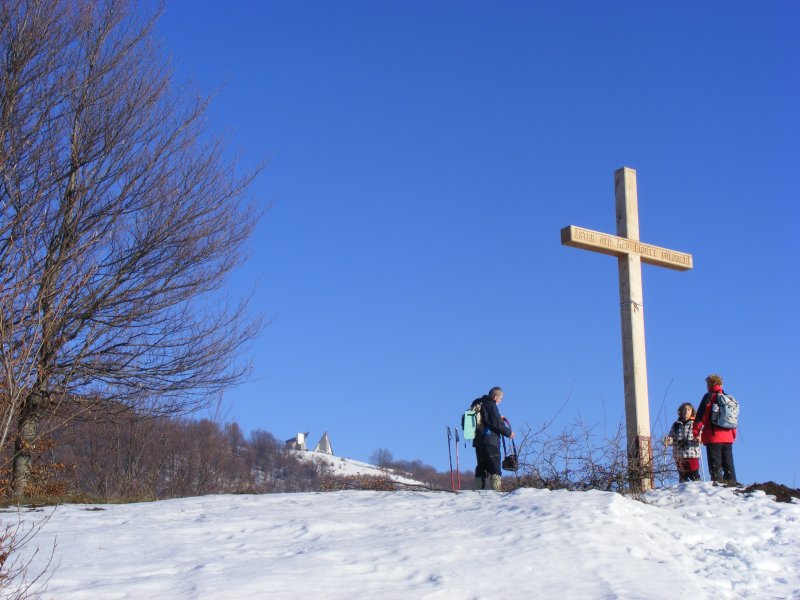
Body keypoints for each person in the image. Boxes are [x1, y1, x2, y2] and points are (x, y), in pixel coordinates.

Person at [693, 374, 738, 485]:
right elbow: (732, 419)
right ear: (720, 384)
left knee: (715, 465)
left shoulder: (709, 397)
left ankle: (718, 487)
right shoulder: (728, 398)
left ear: (709, 384)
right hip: (728, 437)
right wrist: (733, 435)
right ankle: (732, 485)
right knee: (728, 463)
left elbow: (701, 417)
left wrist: (695, 432)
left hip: (713, 437)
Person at [473, 386, 514, 491]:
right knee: (494, 467)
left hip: (478, 441)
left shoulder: (477, 403)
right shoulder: (491, 404)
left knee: (480, 467)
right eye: (500, 399)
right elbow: (496, 422)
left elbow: (486, 419)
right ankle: (496, 493)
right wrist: (508, 433)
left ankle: (477, 491)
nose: (500, 401)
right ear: (495, 396)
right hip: (491, 441)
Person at [664, 403, 701, 482]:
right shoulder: (676, 425)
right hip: (679, 454)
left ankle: (698, 492)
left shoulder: (696, 424)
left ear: (692, 411)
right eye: (684, 409)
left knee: (694, 476)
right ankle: (683, 493)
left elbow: (701, 435)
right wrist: (668, 440)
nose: (686, 411)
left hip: (692, 453)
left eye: (688, 409)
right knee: (682, 477)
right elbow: (671, 437)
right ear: (681, 411)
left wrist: (699, 439)